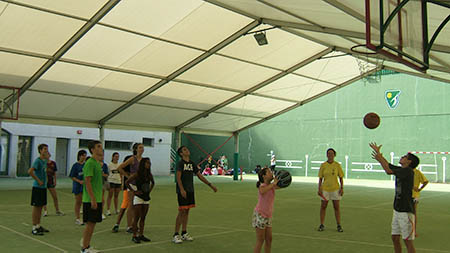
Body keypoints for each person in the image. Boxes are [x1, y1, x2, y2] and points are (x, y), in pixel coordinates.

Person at [370, 143, 419, 253]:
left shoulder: (408, 171)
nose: (402, 157)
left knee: (408, 241)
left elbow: (388, 170)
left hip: (406, 211)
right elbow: (388, 165)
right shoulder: (402, 169)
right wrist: (378, 153)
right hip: (397, 209)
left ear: (409, 162)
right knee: (395, 238)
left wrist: (379, 159)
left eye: (405, 157)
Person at [172, 146, 217, 244]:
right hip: (182, 191)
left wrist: (210, 185)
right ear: (181, 154)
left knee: (187, 211)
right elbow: (178, 178)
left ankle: (184, 232)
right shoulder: (180, 164)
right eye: (184, 150)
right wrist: (182, 189)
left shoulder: (192, 164)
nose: (187, 150)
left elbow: (200, 176)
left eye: (187, 149)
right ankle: (175, 234)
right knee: (181, 211)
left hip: (190, 190)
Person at [81, 140, 104, 253]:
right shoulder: (90, 163)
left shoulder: (97, 163)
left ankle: (87, 245)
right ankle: (84, 248)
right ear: (92, 150)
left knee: (93, 224)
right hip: (90, 199)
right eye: (98, 147)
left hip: (97, 198)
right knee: (90, 224)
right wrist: (93, 199)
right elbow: (87, 182)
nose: (101, 148)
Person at [126, 158, 155, 243]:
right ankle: (134, 235)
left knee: (143, 217)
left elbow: (153, 183)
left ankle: (141, 234)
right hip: (138, 197)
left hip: (146, 197)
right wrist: (134, 191)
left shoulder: (149, 175)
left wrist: (149, 191)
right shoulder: (137, 174)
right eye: (147, 163)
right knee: (136, 217)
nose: (149, 164)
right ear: (143, 164)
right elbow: (127, 182)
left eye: (149, 163)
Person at [253, 167, 279, 253]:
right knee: (260, 240)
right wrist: (273, 183)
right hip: (260, 215)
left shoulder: (272, 186)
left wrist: (282, 179)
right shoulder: (262, 186)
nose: (271, 173)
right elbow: (262, 191)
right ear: (264, 176)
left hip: (268, 215)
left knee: (269, 239)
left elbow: (280, 186)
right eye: (269, 172)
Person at [317, 148, 344, 232]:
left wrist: (342, 188)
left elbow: (341, 177)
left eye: (332, 153)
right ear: (326, 155)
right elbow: (320, 178)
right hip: (325, 190)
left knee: (336, 207)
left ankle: (339, 225)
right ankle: (321, 224)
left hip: (335, 189)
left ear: (334, 155)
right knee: (323, 207)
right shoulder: (323, 165)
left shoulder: (337, 165)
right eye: (328, 153)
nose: (330, 155)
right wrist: (319, 188)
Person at [28, 144, 50, 236]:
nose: (46, 151)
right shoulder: (37, 161)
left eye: (47, 149)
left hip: (43, 187)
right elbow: (30, 171)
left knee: (41, 206)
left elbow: (48, 159)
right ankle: (34, 227)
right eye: (44, 149)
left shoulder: (44, 161)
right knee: (36, 207)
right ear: (40, 150)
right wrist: (38, 180)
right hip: (37, 187)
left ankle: (38, 225)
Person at [112, 154, 134, 233]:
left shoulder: (139, 160)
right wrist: (127, 176)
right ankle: (117, 224)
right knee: (125, 205)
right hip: (127, 185)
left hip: (135, 186)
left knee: (134, 206)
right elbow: (120, 169)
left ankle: (131, 224)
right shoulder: (129, 158)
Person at [69, 150, 87, 225]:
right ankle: (77, 218)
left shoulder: (86, 165)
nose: (85, 157)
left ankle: (85, 218)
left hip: (85, 186)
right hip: (77, 186)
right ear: (80, 156)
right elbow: (72, 176)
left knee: (85, 201)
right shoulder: (75, 165)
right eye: (83, 155)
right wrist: (79, 181)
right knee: (78, 201)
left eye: (85, 155)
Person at [412, 166, 428, 237]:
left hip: (414, 196)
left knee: (413, 213)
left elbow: (425, 181)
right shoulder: (404, 170)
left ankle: (413, 231)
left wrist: (419, 189)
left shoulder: (417, 172)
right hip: (406, 195)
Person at [100, 155, 109, 220]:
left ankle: (101, 212)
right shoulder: (94, 164)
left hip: (102, 183)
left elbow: (106, 175)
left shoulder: (105, 165)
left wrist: (102, 174)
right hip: (94, 184)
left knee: (102, 198)